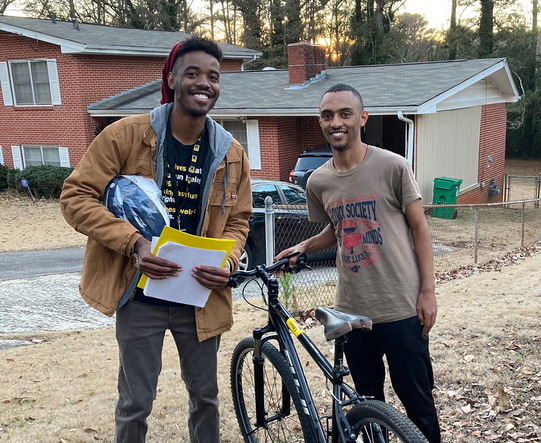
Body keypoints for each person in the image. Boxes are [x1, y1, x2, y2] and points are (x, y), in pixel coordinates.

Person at [60, 36, 252, 443]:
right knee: (135, 403)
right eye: (194, 73)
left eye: (213, 77)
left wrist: (229, 262)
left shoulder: (231, 153)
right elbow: (75, 197)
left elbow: (239, 222)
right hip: (139, 296)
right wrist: (134, 243)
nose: (204, 83)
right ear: (172, 77)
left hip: (199, 297)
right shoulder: (125, 136)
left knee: (206, 398)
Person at [276, 84, 441, 442]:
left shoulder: (392, 166)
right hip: (352, 315)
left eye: (345, 114)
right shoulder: (318, 180)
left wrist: (428, 291)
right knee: (367, 405)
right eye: (327, 115)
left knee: (418, 404)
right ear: (320, 121)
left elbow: (419, 229)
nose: (336, 122)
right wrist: (304, 246)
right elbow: (335, 231)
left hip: (400, 307)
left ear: (362, 118)